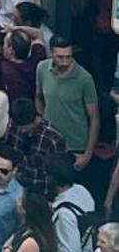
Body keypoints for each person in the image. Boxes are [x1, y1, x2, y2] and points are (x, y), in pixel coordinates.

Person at [37, 40, 99, 176]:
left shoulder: (84, 79)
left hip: (74, 146)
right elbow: (38, 97)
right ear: (51, 53)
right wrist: (42, 120)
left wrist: (87, 154)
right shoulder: (42, 68)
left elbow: (94, 118)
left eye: (68, 57)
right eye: (60, 57)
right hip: (49, 141)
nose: (65, 62)